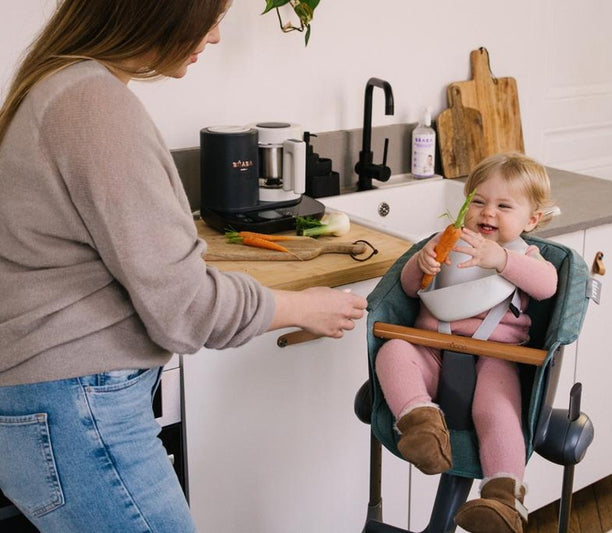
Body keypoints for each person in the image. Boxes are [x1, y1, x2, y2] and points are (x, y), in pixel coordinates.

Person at [0, 1, 367, 532]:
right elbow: (187, 307)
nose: (215, 37)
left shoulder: (62, 85)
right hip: (77, 407)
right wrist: (302, 306)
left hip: (57, 402)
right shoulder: (93, 106)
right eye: (210, 16)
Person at [374, 153, 558, 533]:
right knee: (392, 352)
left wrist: (502, 259)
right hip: (430, 348)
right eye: (477, 200)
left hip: (493, 357)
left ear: (532, 220)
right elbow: (409, 289)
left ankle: (502, 498)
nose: (487, 212)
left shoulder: (527, 255)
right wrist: (420, 266)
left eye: (504, 206)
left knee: (499, 410)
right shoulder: (445, 241)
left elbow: (546, 286)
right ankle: (420, 425)